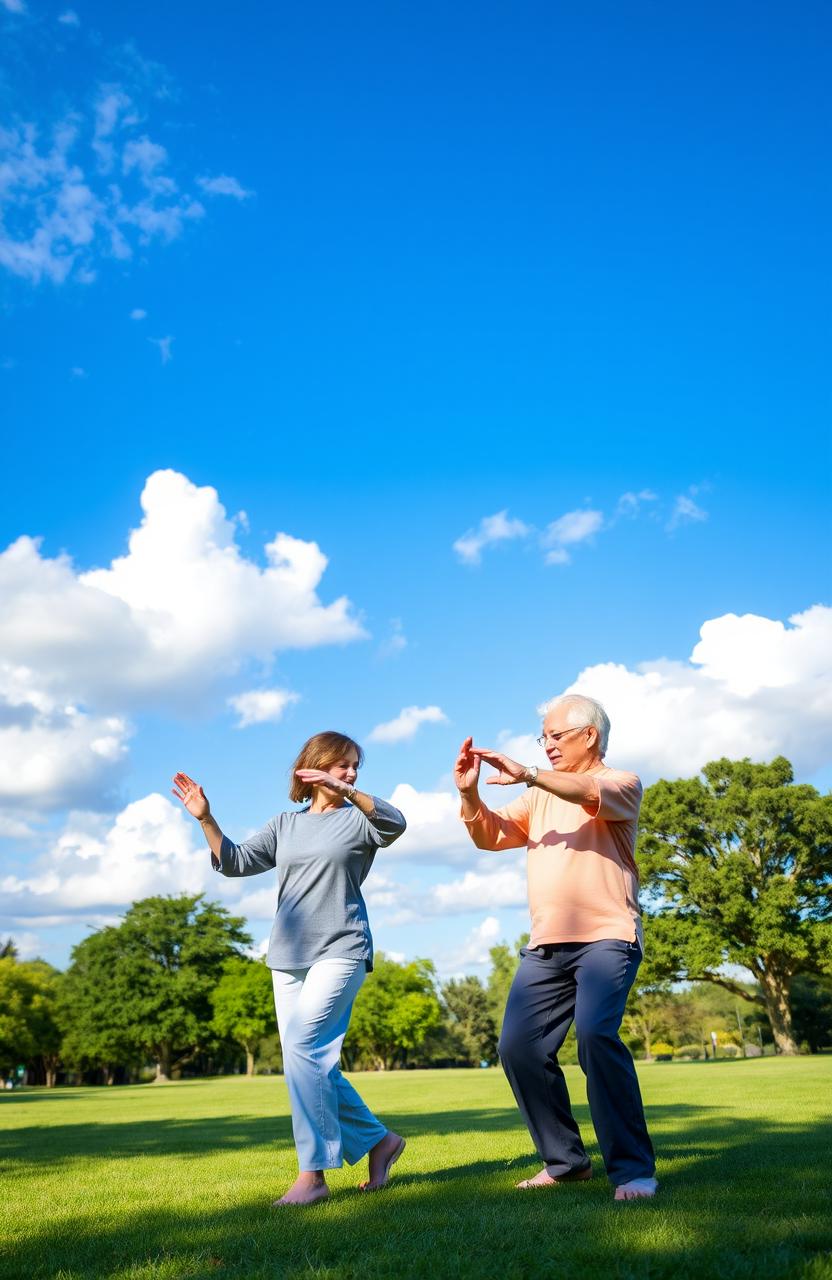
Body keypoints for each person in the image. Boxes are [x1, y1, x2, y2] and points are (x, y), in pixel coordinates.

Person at [172, 730, 407, 1206]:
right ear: (313, 766)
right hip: (287, 957)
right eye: (342, 765)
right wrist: (206, 819)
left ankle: (313, 1176)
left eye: (354, 765)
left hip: (342, 946)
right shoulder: (285, 824)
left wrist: (347, 791)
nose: (351, 772)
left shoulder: (360, 820)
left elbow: (396, 823)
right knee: (309, 1062)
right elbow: (236, 862)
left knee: (304, 1049)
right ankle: (381, 1142)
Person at [454, 694, 657, 1201]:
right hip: (546, 945)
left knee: (594, 1035)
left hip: (608, 937)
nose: (547, 747)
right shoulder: (537, 794)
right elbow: (492, 835)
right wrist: (470, 796)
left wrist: (527, 773)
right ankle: (566, 1162)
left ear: (588, 735)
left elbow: (587, 791)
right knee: (518, 1048)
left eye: (555, 737)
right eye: (542, 739)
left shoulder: (621, 783)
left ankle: (633, 1170)